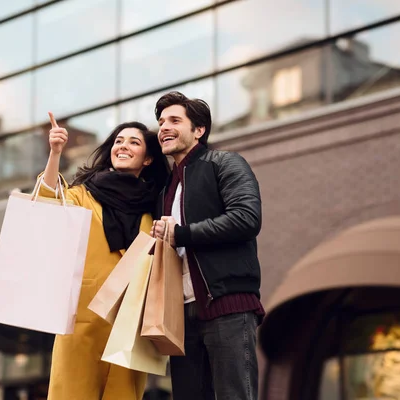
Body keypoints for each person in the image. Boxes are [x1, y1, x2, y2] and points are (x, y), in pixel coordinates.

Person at [39, 112, 170, 400]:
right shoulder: (84, 194)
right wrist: (55, 153)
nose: (123, 146)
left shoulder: (155, 208)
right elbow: (48, 201)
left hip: (129, 324)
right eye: (118, 141)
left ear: (147, 159)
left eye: (134, 142)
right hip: (83, 318)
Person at [150, 92, 265, 400]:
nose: (164, 127)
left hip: (226, 306)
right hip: (181, 315)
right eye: (161, 122)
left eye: (175, 120)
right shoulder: (166, 189)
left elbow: (246, 218)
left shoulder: (224, 163)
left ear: (199, 130)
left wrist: (181, 234)